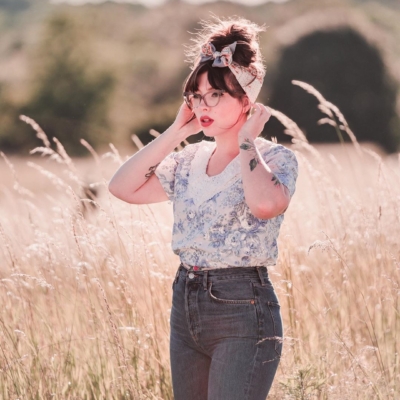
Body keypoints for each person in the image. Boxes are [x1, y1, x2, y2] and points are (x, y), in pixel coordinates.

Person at [108, 15, 298, 400]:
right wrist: (177, 131)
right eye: (195, 95)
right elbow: (121, 187)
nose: (202, 104)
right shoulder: (188, 160)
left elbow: (265, 205)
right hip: (186, 302)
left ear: (247, 99)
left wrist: (247, 141)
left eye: (215, 95)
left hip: (242, 307)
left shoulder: (276, 160)